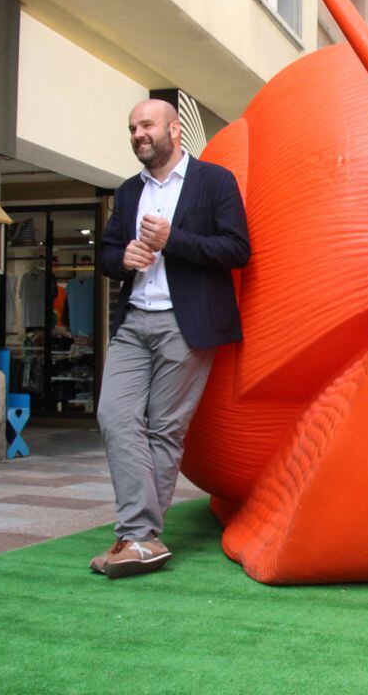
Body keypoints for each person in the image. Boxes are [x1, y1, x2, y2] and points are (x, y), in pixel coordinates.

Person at [91, 99, 250, 578]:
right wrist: (125, 259)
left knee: (165, 429)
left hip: (188, 323)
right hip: (135, 319)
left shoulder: (214, 181)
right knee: (114, 416)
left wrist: (171, 241)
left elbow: (237, 249)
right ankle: (140, 536)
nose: (139, 134)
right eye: (132, 127)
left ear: (173, 129)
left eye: (146, 125)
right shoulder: (126, 192)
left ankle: (139, 538)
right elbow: (105, 254)